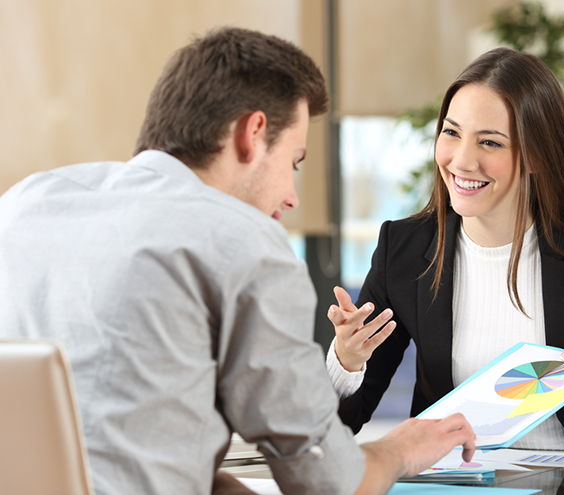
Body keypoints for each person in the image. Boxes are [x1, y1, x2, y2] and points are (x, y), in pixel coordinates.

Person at [0, 27, 475, 495]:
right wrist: (402, 448)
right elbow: (331, 484)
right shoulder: (245, 243)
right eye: (294, 162)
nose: (291, 199)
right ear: (252, 134)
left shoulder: (25, 204)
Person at [325, 47, 564, 454]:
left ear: (536, 155)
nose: (462, 161)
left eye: (490, 143)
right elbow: (334, 428)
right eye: (451, 132)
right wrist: (347, 361)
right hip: (454, 485)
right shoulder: (404, 249)